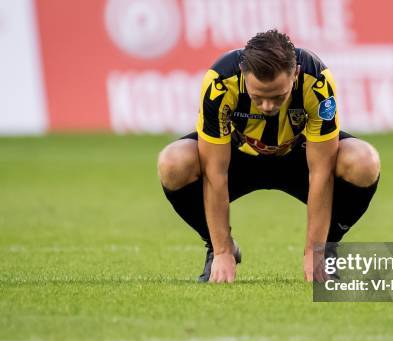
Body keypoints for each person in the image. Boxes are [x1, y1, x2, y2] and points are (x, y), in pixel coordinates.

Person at [158, 29, 380, 283]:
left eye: (278, 97)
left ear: (295, 74)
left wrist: (315, 251)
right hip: (239, 159)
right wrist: (221, 250)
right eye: (257, 97)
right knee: (173, 162)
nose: (267, 107)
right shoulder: (220, 83)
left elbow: (321, 172)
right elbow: (215, 173)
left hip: (298, 157)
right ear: (243, 74)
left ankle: (328, 249)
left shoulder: (317, 81)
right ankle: (217, 244)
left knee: (364, 161)